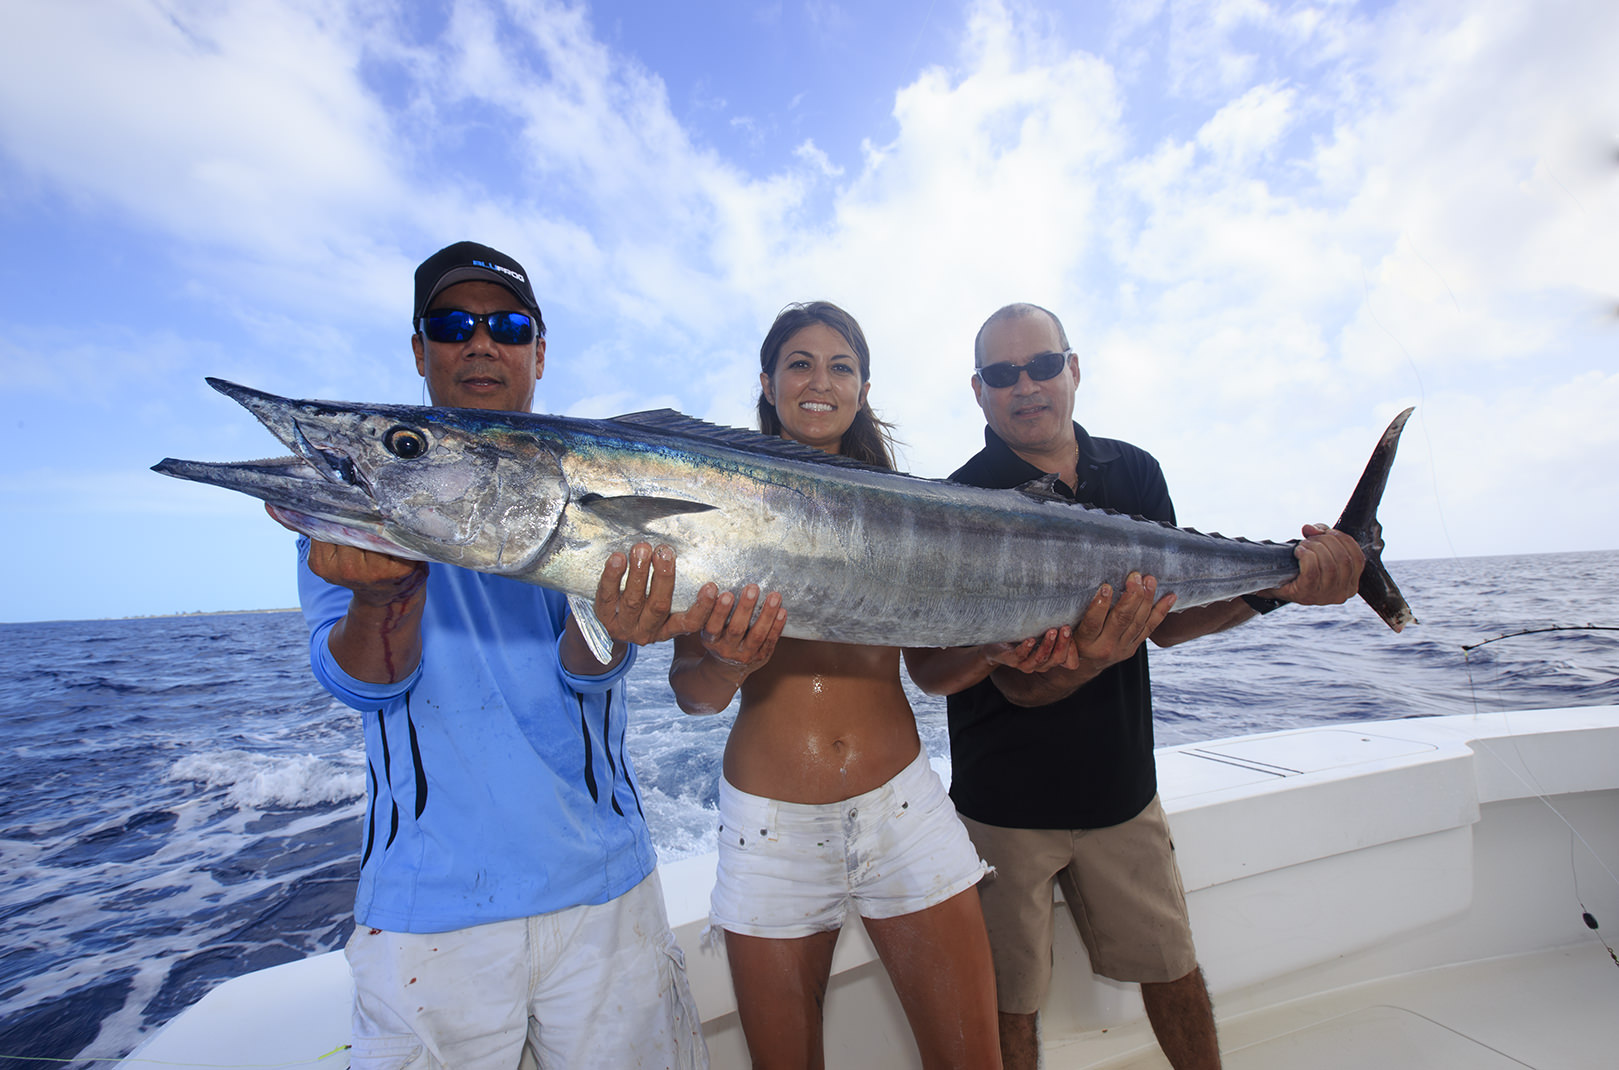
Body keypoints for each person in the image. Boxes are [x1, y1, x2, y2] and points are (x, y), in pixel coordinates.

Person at [285, 241, 717, 1069]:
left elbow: (584, 672)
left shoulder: (590, 477)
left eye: (508, 325)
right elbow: (368, 684)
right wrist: (382, 596)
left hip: (603, 890)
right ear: (420, 350)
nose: (480, 342)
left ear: (538, 353)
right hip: (428, 917)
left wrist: (611, 628)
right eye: (451, 325)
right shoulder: (352, 501)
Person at [905, 302, 1366, 1070]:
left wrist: (1274, 587)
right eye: (1001, 374)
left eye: (1042, 365)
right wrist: (994, 649)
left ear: (1073, 369)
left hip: (1122, 790)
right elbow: (927, 669)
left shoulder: (1135, 472)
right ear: (978, 392)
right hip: (999, 810)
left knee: (1172, 972)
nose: (1026, 386)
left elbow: (1169, 623)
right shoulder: (956, 499)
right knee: (1006, 1002)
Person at [668, 301, 1003, 1070]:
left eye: (839, 366)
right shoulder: (710, 501)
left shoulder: (912, 513)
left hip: (904, 811)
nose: (820, 381)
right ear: (767, 381)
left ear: (862, 387)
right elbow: (694, 693)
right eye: (799, 363)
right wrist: (727, 662)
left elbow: (930, 669)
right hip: (768, 834)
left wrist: (1001, 651)